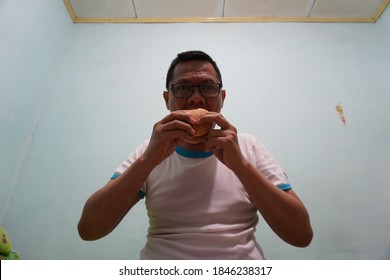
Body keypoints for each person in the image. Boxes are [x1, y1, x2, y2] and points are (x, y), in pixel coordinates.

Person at [77, 50, 313, 259]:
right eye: (183, 88)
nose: (196, 98)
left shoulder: (248, 146)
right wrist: (148, 160)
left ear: (222, 98)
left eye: (208, 87)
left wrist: (240, 165)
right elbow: (90, 230)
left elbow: (301, 236)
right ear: (167, 99)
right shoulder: (148, 151)